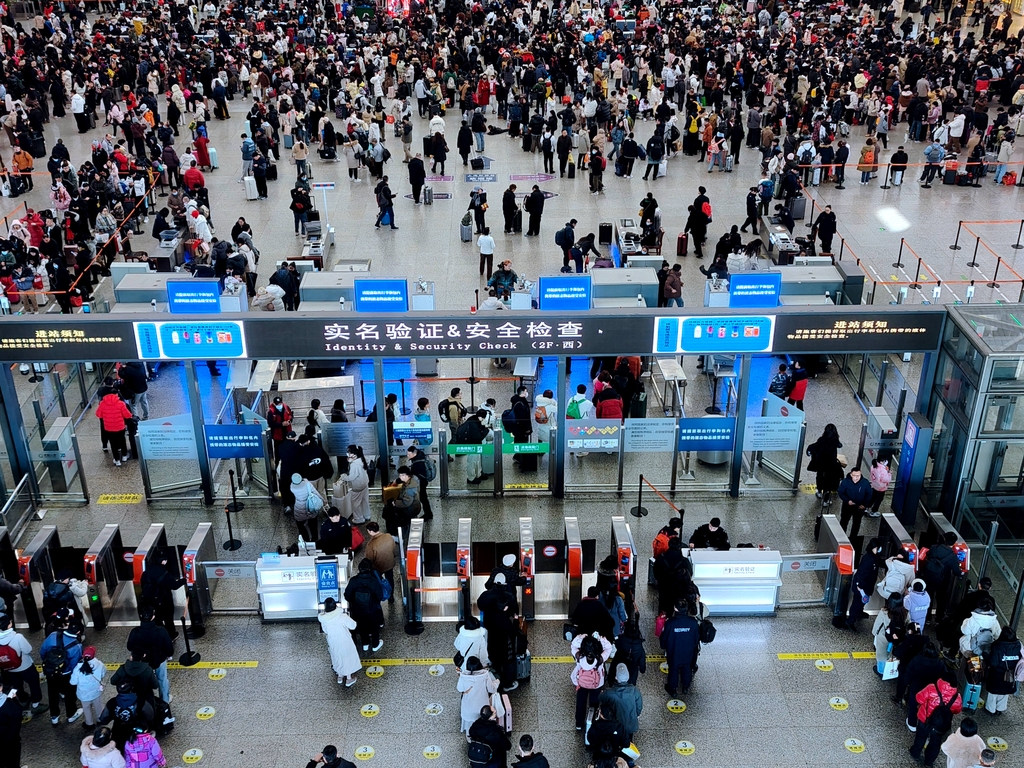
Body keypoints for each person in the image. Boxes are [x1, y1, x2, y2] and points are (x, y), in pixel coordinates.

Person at [41, 617, 84, 725]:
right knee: (70, 694)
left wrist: (50, 664)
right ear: (78, 632)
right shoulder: (77, 646)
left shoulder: (53, 635)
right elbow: (74, 665)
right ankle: (71, 714)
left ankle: (54, 717)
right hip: (66, 674)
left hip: (50, 671)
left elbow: (42, 651)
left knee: (52, 692)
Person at [0, 614, 45, 717]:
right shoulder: (17, 637)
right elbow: (28, 649)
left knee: (17, 685)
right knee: (33, 683)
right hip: (25, 666)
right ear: (9, 624)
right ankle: (35, 704)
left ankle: (23, 699)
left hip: (9, 668)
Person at [911, 676, 963, 765]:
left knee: (920, 737)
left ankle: (915, 753)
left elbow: (918, 698)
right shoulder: (957, 697)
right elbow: (957, 710)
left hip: (925, 719)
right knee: (935, 743)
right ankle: (929, 762)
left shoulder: (931, 688)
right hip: (940, 725)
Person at [570, 632, 615, 730]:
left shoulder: (579, 657)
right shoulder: (599, 659)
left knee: (581, 702)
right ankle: (592, 721)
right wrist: (600, 638)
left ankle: (579, 724)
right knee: (594, 702)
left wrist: (583, 636)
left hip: (581, 683)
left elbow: (573, 644)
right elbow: (609, 648)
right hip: (597, 683)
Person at [139, 549, 186, 642]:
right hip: (164, 601)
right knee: (168, 619)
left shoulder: (146, 572)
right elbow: (174, 586)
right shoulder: (164, 573)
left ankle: (161, 635)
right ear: (163, 561)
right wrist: (184, 580)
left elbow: (142, 585)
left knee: (158, 619)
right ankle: (171, 635)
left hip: (150, 602)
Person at [317, 598, 361, 687]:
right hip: (344, 640)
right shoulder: (342, 616)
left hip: (332, 641)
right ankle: (349, 678)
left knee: (336, 656)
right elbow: (353, 626)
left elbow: (325, 630)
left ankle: (340, 677)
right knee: (347, 657)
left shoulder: (323, 618)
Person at [343, 560, 385, 653]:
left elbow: (347, 595)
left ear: (359, 569)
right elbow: (380, 596)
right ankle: (375, 644)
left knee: (362, 626)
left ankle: (365, 644)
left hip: (358, 610)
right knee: (374, 627)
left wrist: (354, 602)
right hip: (372, 609)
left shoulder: (354, 581)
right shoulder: (373, 581)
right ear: (369, 569)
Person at [661, 600, 700, 696]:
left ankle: (672, 689)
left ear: (675, 608)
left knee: (673, 669)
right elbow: (696, 639)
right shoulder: (693, 622)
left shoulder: (670, 623)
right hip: (687, 651)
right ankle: (685, 687)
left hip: (674, 651)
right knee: (686, 668)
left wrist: (663, 646)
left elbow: (664, 637)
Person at [597, 663, 643, 744]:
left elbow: (601, 698)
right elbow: (639, 707)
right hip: (630, 724)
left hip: (616, 725)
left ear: (616, 677)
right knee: (628, 740)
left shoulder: (610, 692)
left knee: (616, 740)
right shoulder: (635, 690)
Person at [845, 538, 883, 630]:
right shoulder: (868, 559)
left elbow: (880, 562)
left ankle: (859, 612)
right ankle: (850, 620)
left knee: (862, 601)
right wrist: (860, 586)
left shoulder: (875, 557)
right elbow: (862, 573)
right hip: (862, 587)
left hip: (867, 585)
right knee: (857, 602)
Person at [457, 655, 500, 734]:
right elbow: (492, 689)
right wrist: (497, 682)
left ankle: (469, 736)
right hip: (483, 709)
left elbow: (459, 689)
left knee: (469, 728)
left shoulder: (463, 676)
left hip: (468, 709)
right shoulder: (485, 675)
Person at [984, 627, 1021, 716]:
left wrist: (985, 655)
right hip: (1011, 674)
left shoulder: (997, 646)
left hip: (997, 675)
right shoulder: (1018, 645)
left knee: (993, 693)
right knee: (1004, 693)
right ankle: (1000, 709)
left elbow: (993, 662)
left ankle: (991, 710)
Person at [95, 387, 134, 467]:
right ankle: (124, 456)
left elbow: (98, 414)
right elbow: (127, 415)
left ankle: (116, 460)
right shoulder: (121, 403)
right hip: (120, 427)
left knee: (113, 443)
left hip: (109, 428)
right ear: (116, 394)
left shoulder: (102, 403)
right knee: (122, 440)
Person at [71, 646, 107, 730]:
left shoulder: (78, 668)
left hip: (84, 694)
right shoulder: (100, 664)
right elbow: (103, 674)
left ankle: (89, 723)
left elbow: (73, 682)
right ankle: (100, 719)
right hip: (96, 691)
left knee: (86, 709)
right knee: (98, 706)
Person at [338, 446, 371, 524]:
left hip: (358, 486)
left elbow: (351, 477)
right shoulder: (362, 459)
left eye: (349, 452)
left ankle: (359, 519)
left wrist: (343, 477)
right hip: (365, 484)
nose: (347, 454)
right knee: (365, 501)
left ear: (353, 454)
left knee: (355, 503)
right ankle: (367, 515)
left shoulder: (354, 465)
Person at [364, 521, 397, 599]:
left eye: (368, 531)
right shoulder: (388, 536)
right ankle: (391, 595)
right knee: (390, 579)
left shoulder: (371, 544)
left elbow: (369, 559)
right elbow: (394, 548)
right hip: (390, 564)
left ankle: (379, 596)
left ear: (371, 531)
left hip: (378, 567)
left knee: (377, 581)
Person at [837, 467, 872, 539]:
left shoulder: (865, 483)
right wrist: (847, 500)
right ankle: (841, 537)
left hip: (859, 507)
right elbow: (841, 492)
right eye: (854, 475)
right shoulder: (845, 482)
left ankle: (853, 538)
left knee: (856, 523)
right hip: (847, 506)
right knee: (844, 521)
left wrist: (864, 505)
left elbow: (869, 494)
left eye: (858, 476)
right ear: (851, 474)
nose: (856, 478)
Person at [0, 681, 25, 768]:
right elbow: (18, 715)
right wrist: (14, 699)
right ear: (0, 688)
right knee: (13, 756)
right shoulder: (8, 704)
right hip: (9, 736)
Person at [405, 445, 434, 519]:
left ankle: (428, 514)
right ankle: (428, 513)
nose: (407, 456)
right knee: (423, 497)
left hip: (421, 483)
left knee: (423, 498)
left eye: (409, 454)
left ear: (414, 454)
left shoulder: (417, 463)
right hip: (423, 481)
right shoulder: (420, 456)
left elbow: (415, 475)